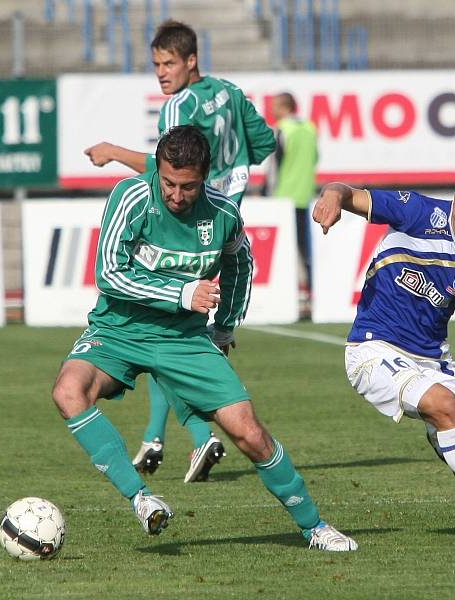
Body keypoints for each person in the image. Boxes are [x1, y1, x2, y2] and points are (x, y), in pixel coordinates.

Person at [53, 125, 356, 551]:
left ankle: (315, 527)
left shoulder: (222, 214)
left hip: (184, 340)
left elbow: (240, 265)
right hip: (119, 328)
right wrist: (181, 292)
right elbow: (109, 273)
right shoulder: (131, 196)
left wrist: (225, 326)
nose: (176, 195)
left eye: (188, 186)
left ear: (205, 177)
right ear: (157, 172)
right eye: (169, 183)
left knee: (249, 433)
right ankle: (141, 498)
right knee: (68, 391)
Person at [83, 19, 276, 483]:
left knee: (160, 332)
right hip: (225, 221)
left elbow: (169, 167)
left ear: (191, 60)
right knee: (178, 338)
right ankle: (165, 438)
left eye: (169, 63)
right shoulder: (229, 91)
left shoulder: (177, 108)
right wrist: (233, 174)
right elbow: (265, 142)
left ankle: (177, 437)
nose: (162, 73)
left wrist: (113, 150)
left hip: (187, 224)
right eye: (156, 64)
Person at [312, 167, 455, 542]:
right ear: (454, 196)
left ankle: (439, 428)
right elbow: (348, 192)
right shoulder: (419, 212)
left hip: (434, 361)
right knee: (444, 404)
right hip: (373, 349)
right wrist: (331, 195)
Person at [267, 92, 319, 316]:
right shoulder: (310, 128)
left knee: (286, 251)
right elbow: (315, 158)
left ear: (285, 107)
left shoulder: (282, 130)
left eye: (275, 106)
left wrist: (267, 194)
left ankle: (293, 296)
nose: (272, 110)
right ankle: (309, 294)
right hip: (305, 194)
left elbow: (274, 168)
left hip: (283, 197)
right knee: (305, 248)